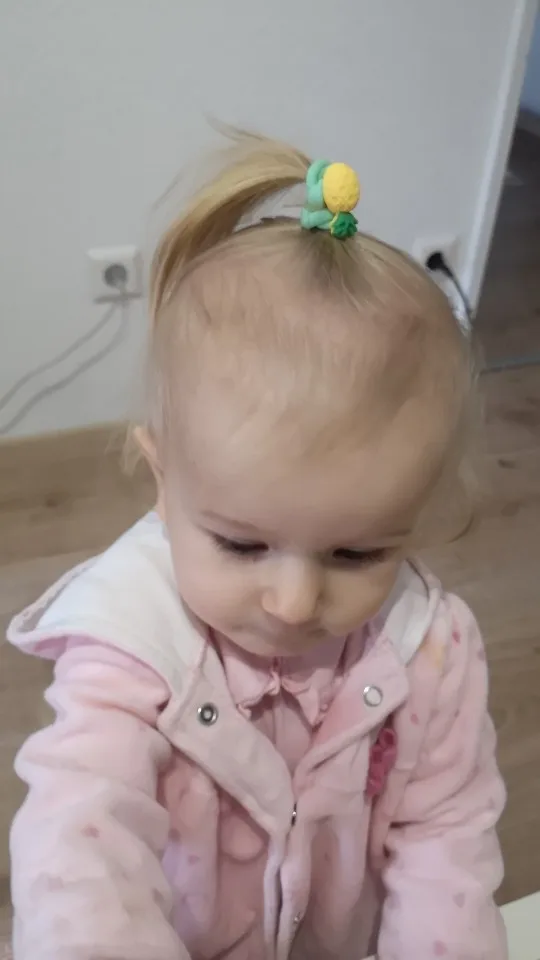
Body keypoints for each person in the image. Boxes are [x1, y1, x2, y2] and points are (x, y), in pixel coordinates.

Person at [8, 133, 507, 960]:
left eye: (355, 555)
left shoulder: (431, 648)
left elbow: (446, 838)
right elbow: (79, 849)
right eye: (242, 545)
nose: (294, 604)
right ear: (163, 480)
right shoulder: (128, 644)